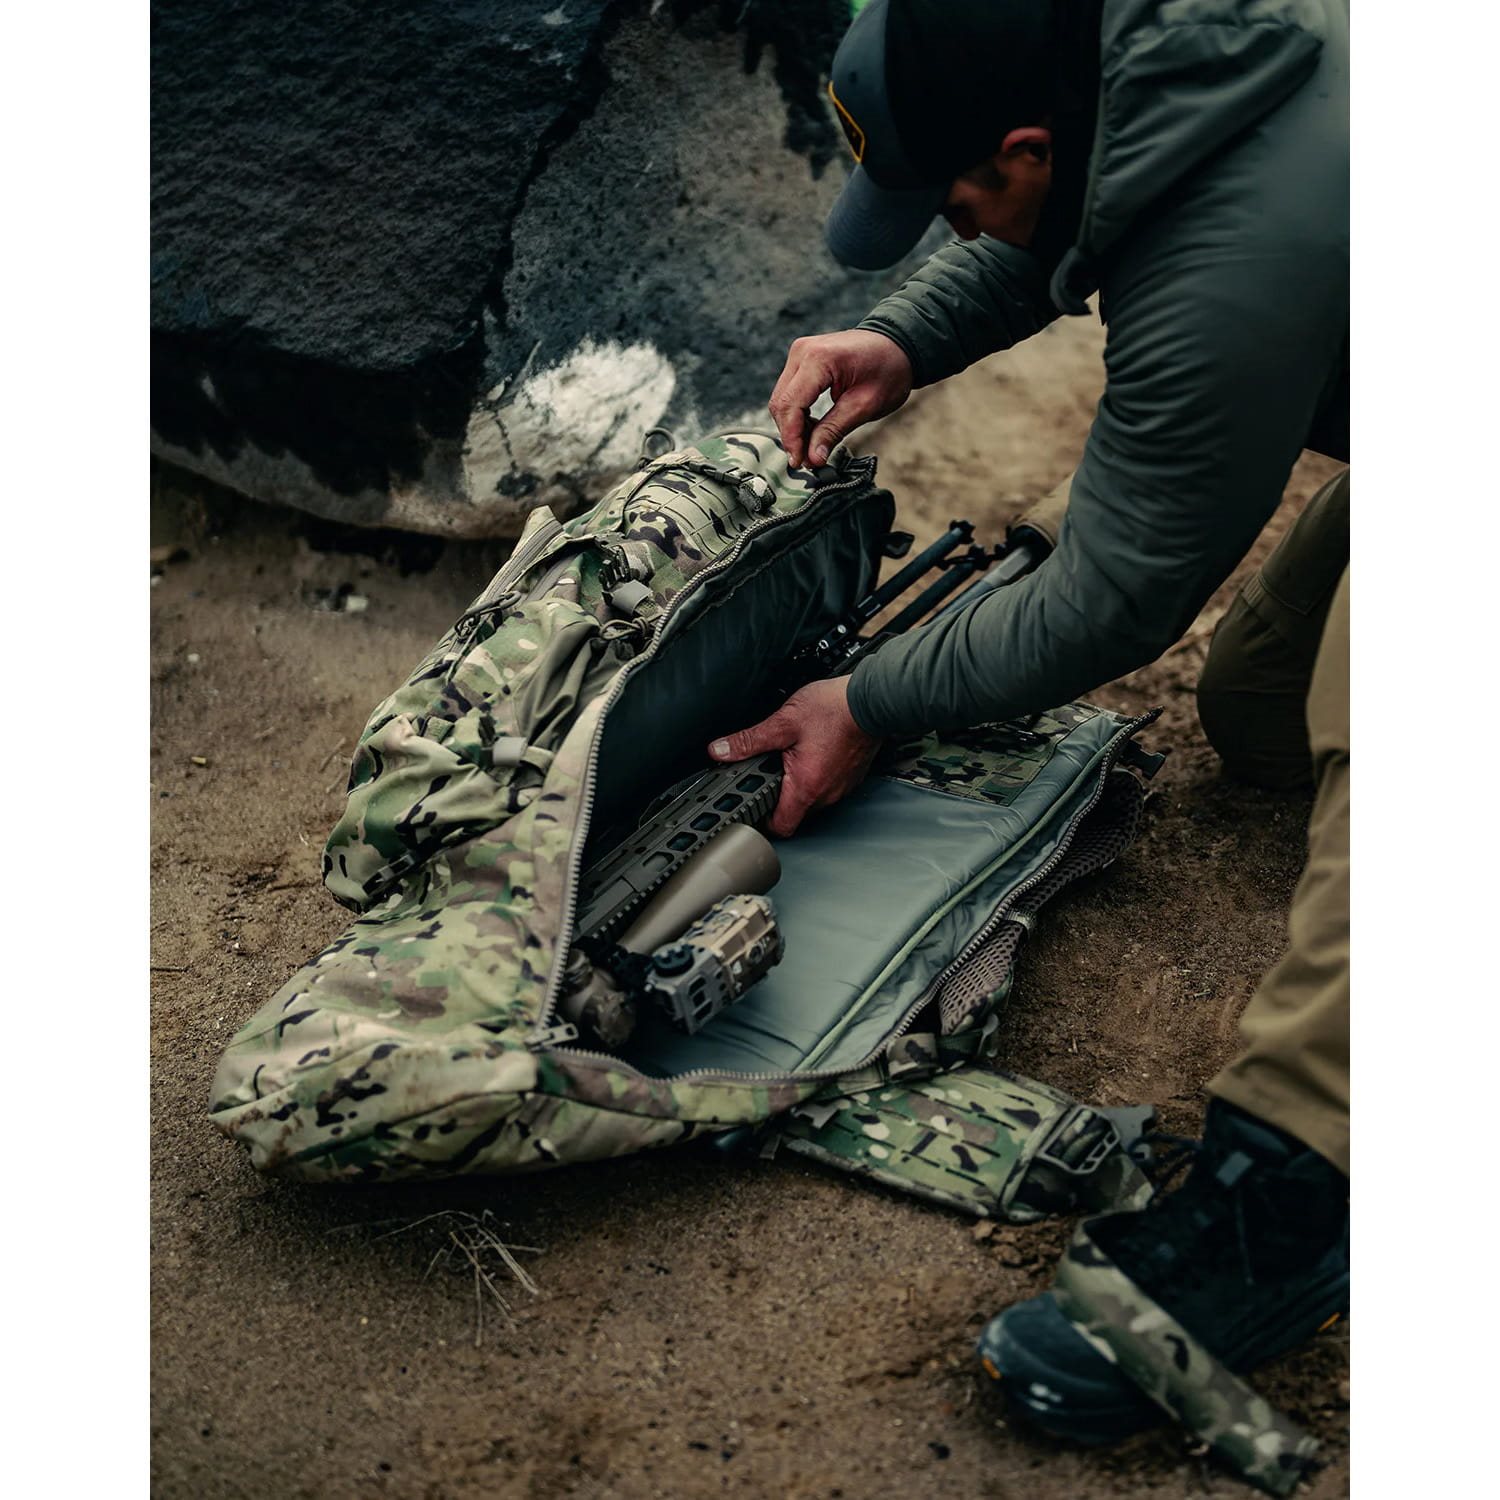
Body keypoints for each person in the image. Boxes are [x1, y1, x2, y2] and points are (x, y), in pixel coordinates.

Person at [705, 0, 1349, 1449]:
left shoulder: (1233, 258)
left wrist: (869, 696)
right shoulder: (1144, 50)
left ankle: (1295, 1196)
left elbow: (1115, 599)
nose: (959, 225)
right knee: (1266, 717)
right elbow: (1083, 210)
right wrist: (902, 335)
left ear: (1025, 148)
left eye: (955, 201)